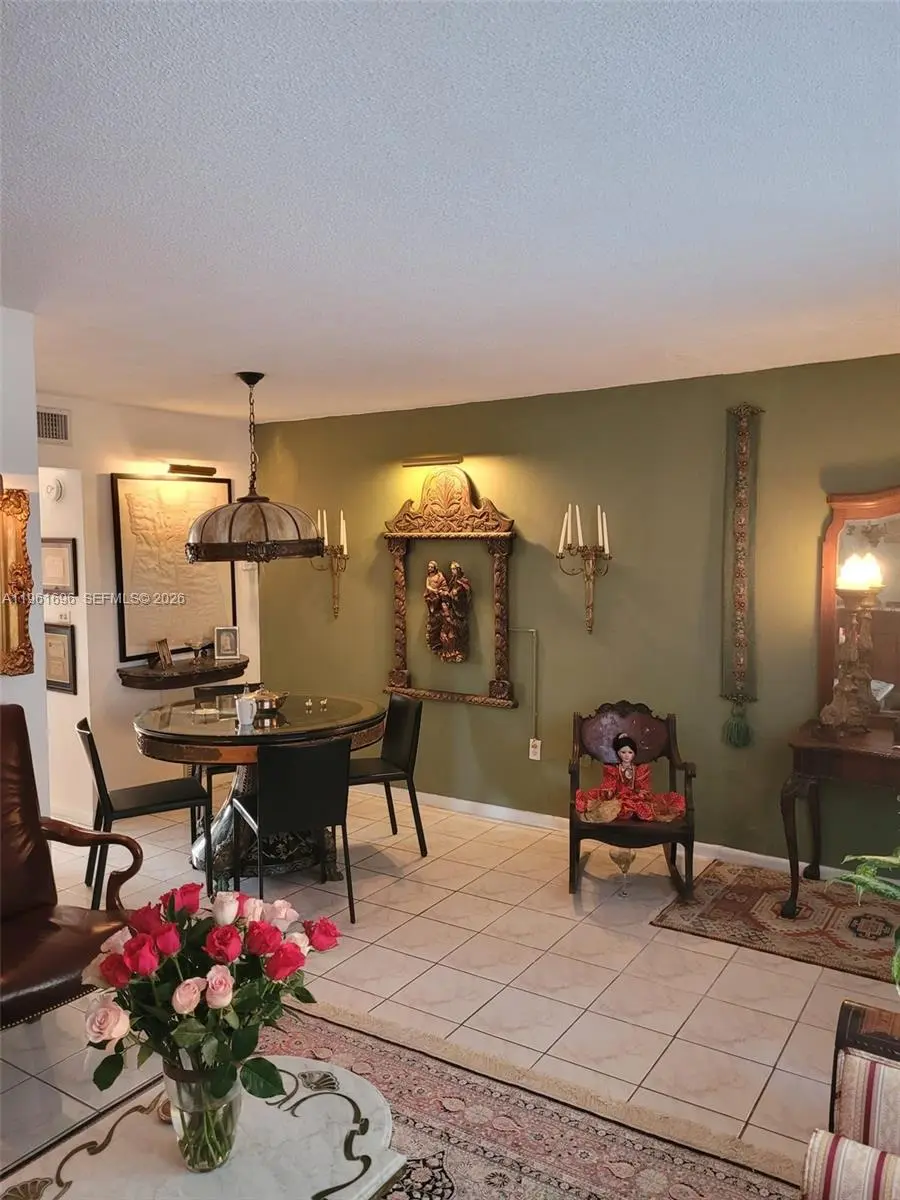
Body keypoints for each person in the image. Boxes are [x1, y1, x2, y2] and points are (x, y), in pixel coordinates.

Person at [575, 733, 685, 822]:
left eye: (630, 752)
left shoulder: (640, 769)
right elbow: (610, 785)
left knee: (648, 807)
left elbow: (643, 788)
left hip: (635, 798)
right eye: (623, 752)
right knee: (608, 807)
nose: (627, 755)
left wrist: (640, 794)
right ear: (618, 753)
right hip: (619, 798)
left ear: (634, 754)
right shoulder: (613, 769)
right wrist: (610, 792)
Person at [424, 560, 447, 656]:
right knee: (432, 620)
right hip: (431, 600)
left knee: (438, 621)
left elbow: (444, 588)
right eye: (429, 567)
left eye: (431, 567)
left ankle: (438, 642)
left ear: (435, 568)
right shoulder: (428, 577)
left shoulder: (440, 577)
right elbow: (427, 587)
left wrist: (440, 592)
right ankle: (433, 642)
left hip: (438, 601)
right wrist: (433, 590)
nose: (429, 568)